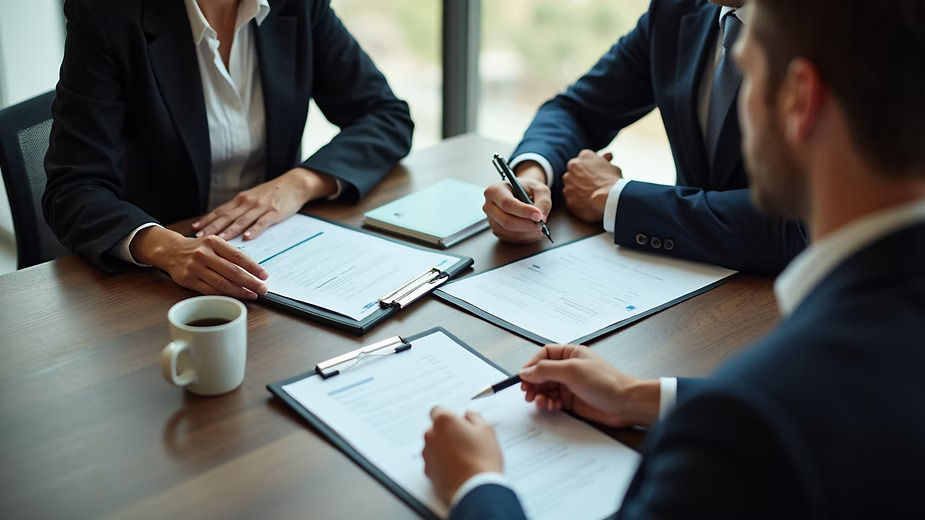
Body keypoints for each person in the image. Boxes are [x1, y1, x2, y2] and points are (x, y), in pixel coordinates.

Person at [423, 0, 925, 517]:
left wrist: (477, 484)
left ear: (799, 98)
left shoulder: (740, 431)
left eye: (749, 69)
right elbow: (826, 404)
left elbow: (772, 415)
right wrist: (638, 396)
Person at [43, 0, 413, 299]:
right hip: (155, 283)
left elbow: (386, 115)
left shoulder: (298, 5)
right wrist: (166, 248)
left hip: (277, 261)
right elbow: (73, 188)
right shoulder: (107, 13)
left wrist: (299, 183)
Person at [484, 0, 806, 275]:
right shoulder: (676, 9)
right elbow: (577, 110)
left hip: (780, 302)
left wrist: (619, 199)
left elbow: (801, 223)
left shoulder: (824, 31)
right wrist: (531, 176)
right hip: (679, 286)